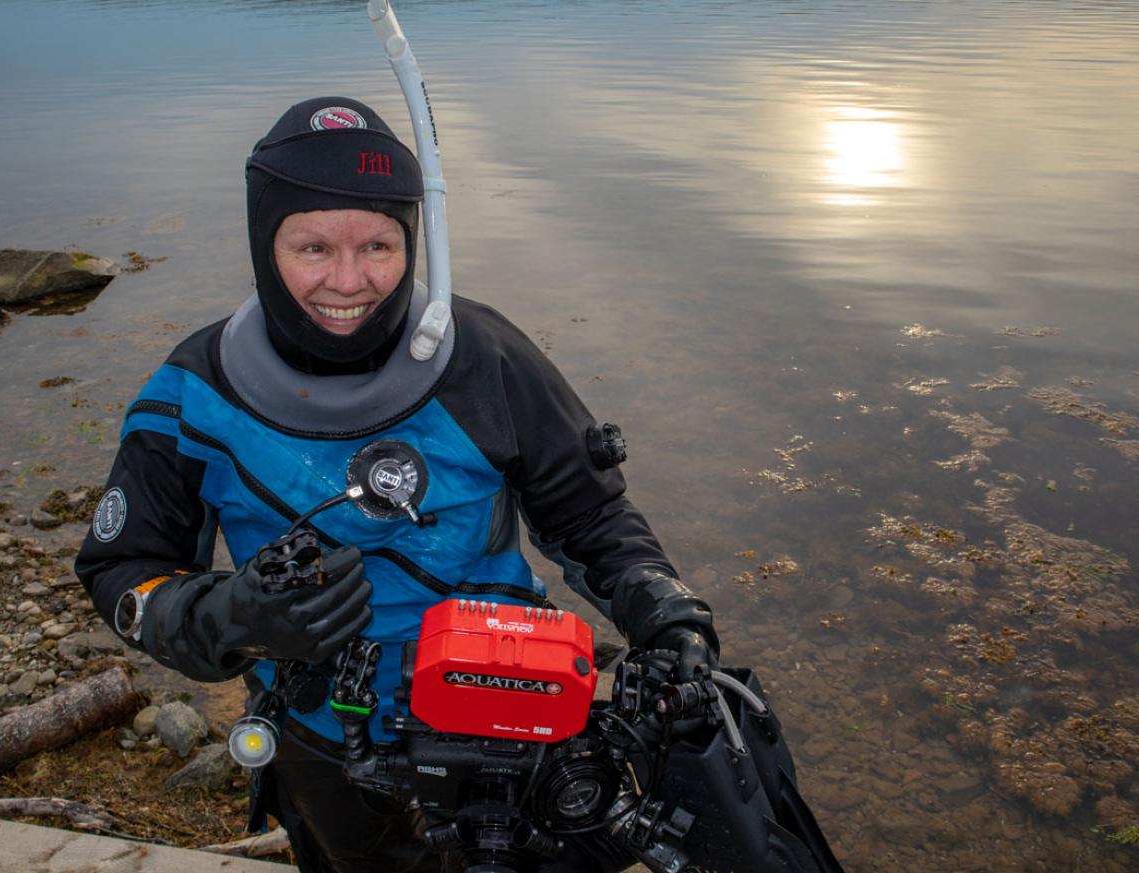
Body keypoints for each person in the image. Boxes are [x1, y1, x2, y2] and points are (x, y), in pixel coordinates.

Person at [76, 96, 718, 873]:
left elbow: (589, 514)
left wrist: (661, 603)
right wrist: (232, 615)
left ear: (413, 241)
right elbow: (122, 572)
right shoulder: (193, 396)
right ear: (261, 241)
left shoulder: (484, 357)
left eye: (379, 245)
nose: (349, 283)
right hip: (323, 741)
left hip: (512, 718)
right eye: (312, 246)